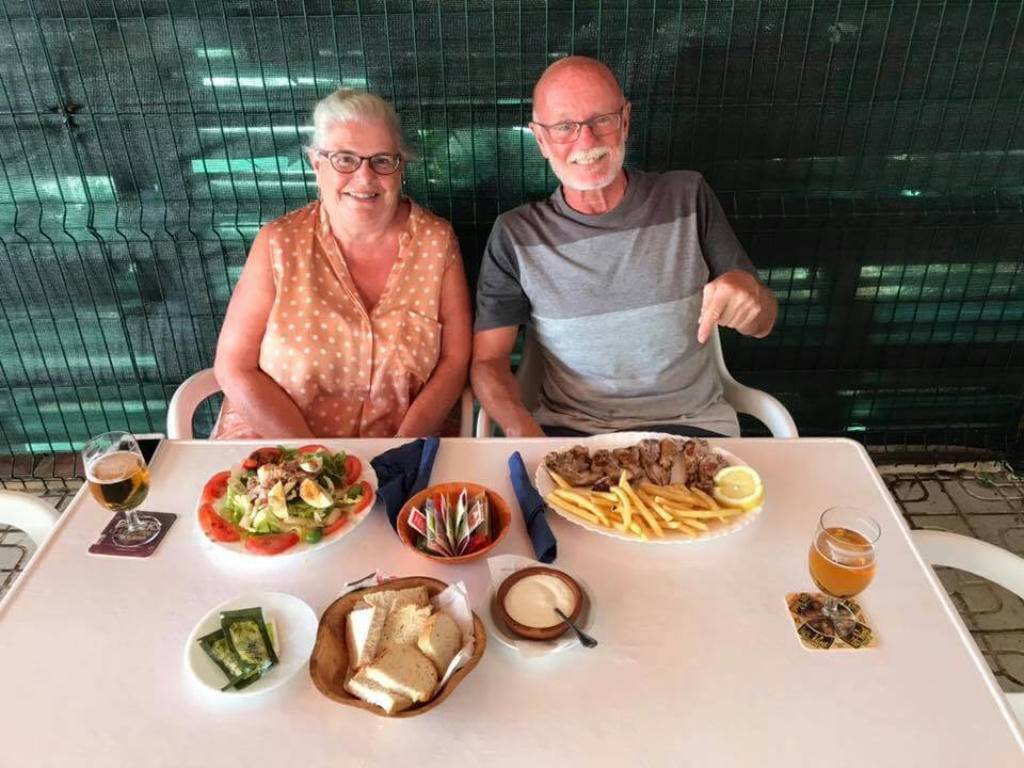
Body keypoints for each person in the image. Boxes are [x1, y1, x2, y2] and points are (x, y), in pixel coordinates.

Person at [471, 56, 777, 438]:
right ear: (541, 139)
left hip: (692, 432)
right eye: (566, 127)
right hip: (572, 438)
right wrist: (520, 427)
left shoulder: (687, 196)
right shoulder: (515, 234)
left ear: (625, 121)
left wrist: (750, 300)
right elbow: (487, 360)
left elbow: (764, 321)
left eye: (602, 120)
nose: (587, 141)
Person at [213, 89, 472, 439]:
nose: (365, 177)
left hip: (401, 451)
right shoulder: (278, 243)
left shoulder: (436, 242)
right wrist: (316, 463)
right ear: (317, 164)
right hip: (280, 451)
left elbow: (454, 362)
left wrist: (402, 451)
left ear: (400, 168)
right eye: (345, 159)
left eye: (381, 160)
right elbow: (234, 367)